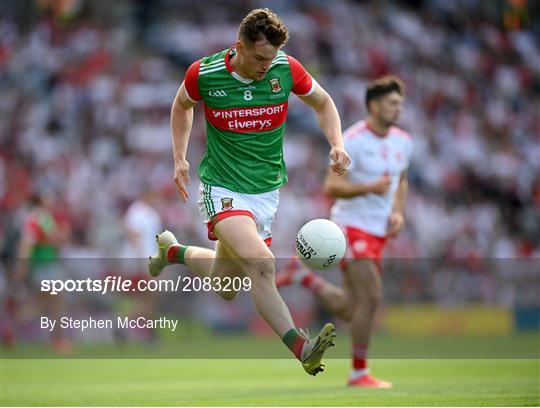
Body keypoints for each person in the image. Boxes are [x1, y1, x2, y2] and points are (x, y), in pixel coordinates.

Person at [148, 8, 350, 376]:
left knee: (227, 286)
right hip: (221, 187)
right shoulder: (204, 73)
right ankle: (301, 347)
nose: (265, 66)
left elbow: (323, 102)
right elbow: (181, 106)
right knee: (261, 265)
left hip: (264, 195)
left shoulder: (285, 69)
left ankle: (173, 251)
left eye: (270, 58)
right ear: (238, 47)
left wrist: (336, 143)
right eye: (259, 57)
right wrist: (179, 158)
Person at [276, 76, 412, 387]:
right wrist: (369, 188)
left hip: (379, 232)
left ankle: (303, 276)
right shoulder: (352, 139)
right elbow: (331, 185)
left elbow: (401, 180)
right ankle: (359, 373)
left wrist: (398, 212)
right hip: (351, 227)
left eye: (400, 104)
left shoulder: (403, 141)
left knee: (355, 308)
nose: (398, 109)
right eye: (392, 103)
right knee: (373, 297)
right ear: (374, 105)